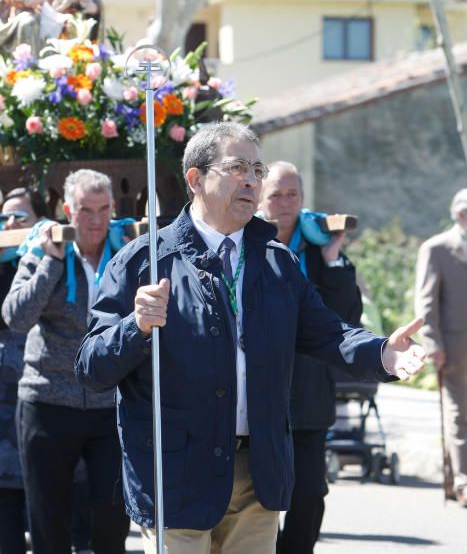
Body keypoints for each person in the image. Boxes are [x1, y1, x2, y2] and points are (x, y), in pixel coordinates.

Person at [75, 122, 426, 554]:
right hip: (176, 475)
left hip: (259, 473)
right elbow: (91, 367)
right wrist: (136, 326)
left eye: (257, 170)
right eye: (238, 167)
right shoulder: (144, 262)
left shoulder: (277, 263)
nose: (251, 180)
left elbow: (328, 332)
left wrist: (383, 353)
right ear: (195, 178)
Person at [2, 169, 129, 554]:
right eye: (85, 210)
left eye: (103, 209)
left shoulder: (126, 251)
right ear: (68, 210)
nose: (94, 220)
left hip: (108, 403)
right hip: (48, 402)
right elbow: (16, 317)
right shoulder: (43, 251)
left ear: (113, 209)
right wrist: (51, 264)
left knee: (112, 518)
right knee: (48, 522)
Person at [258, 161, 362, 554]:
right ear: (261, 200)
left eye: (293, 195)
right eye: (276, 194)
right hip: (257, 398)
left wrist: (333, 256)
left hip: (308, 399)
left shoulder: (320, 252)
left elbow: (347, 319)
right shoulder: (244, 246)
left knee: (308, 496)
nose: (285, 203)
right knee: (255, 501)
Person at [0, 187, 49, 554]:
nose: (11, 224)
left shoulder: (47, 258)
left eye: (20, 216)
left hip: (39, 395)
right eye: (5, 218)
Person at [415, 188, 467, 507]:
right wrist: (432, 344)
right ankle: (463, 481)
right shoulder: (436, 248)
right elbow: (425, 301)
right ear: (458, 213)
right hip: (454, 348)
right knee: (459, 415)